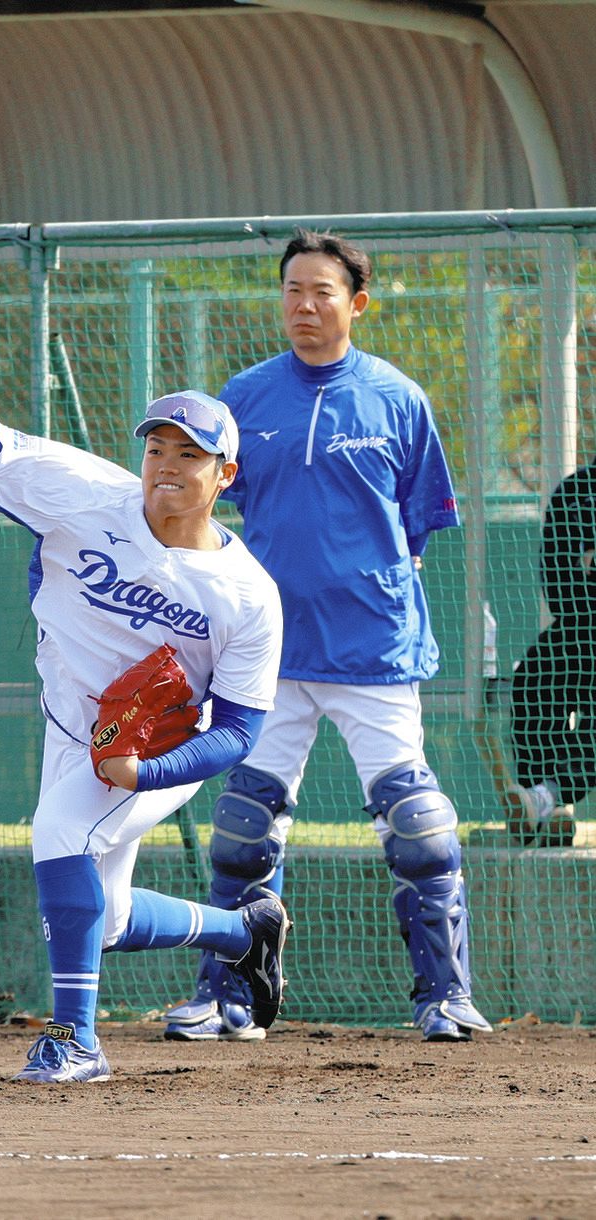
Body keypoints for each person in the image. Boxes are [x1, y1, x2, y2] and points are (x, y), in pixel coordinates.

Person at [0, 233, 288, 1083]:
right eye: (158, 448)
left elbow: (242, 730)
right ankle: (242, 933)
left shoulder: (247, 593)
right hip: (74, 726)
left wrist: (149, 772)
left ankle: (75, 1042)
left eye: (192, 453)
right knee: (98, 919)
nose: (168, 465)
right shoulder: (85, 494)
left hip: (163, 749)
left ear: (227, 473)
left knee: (61, 833)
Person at [165, 228, 492, 1045]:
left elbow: (417, 529)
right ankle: (232, 999)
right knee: (244, 829)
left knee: (416, 823)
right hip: (267, 649)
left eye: (322, 292)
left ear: (357, 303)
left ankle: (445, 997)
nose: (304, 306)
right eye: (291, 291)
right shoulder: (243, 398)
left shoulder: (398, 398)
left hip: (372, 650)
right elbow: (209, 513)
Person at [504, 459, 596, 846]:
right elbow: (557, 582)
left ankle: (547, 797)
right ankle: (540, 802)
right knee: (534, 674)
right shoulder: (576, 492)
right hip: (581, 624)